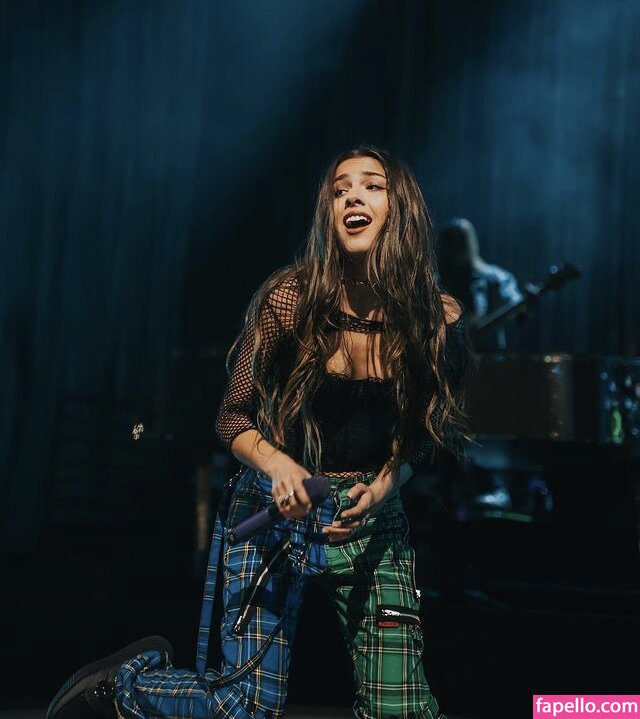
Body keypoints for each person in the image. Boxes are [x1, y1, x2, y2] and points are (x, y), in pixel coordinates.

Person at [47, 145, 471, 719]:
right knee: (242, 707)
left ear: (403, 210)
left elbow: (422, 436)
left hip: (371, 522)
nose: (352, 196)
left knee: (403, 712)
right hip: (272, 514)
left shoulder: (437, 319)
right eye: (340, 189)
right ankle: (124, 686)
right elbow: (232, 417)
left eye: (372, 186)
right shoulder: (290, 300)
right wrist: (278, 465)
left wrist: (384, 486)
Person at [437, 217, 524, 353]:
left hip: (489, 356)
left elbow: (517, 306)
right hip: (447, 356)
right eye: (451, 243)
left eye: (459, 243)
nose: (455, 248)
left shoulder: (496, 278)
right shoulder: (436, 284)